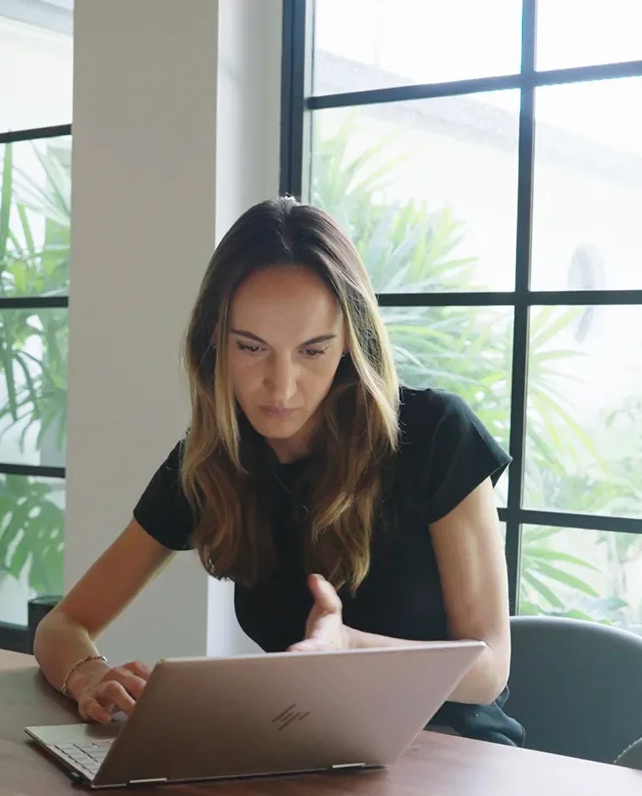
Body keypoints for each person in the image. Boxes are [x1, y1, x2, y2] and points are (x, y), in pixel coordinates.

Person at [33, 198, 523, 745]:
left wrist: (349, 648)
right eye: (252, 347)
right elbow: (62, 626)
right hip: (310, 755)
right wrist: (89, 676)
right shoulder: (210, 462)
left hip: (455, 755)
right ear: (214, 340)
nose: (281, 386)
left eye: (312, 351)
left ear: (349, 343)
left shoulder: (436, 435)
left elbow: (488, 669)